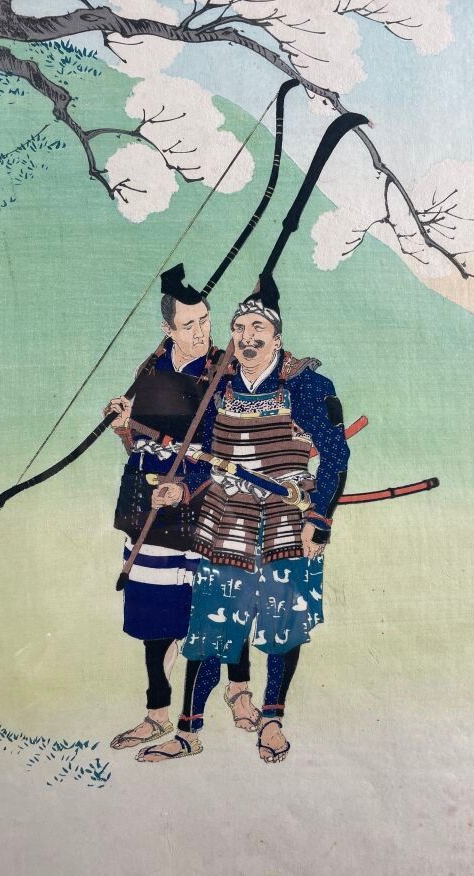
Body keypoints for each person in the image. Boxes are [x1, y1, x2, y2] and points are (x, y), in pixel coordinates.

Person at [137, 272, 350, 764]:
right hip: (225, 520)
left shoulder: (306, 385)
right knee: (211, 625)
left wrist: (320, 519)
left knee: (281, 626)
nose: (247, 338)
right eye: (239, 329)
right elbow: (205, 455)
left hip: (286, 521)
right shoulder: (220, 386)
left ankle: (271, 722)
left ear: (277, 335)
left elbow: (335, 456)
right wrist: (180, 488)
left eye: (258, 329)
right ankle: (188, 732)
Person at [106, 264, 259, 751]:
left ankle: (238, 691)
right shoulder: (151, 369)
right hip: (153, 505)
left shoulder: (225, 371)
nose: (201, 333)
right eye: (189, 325)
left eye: (205, 321)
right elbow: (138, 444)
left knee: (220, 604)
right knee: (156, 617)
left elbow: (229, 447)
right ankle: (157, 713)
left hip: (206, 501)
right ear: (167, 329)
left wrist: (186, 487)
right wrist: (124, 426)